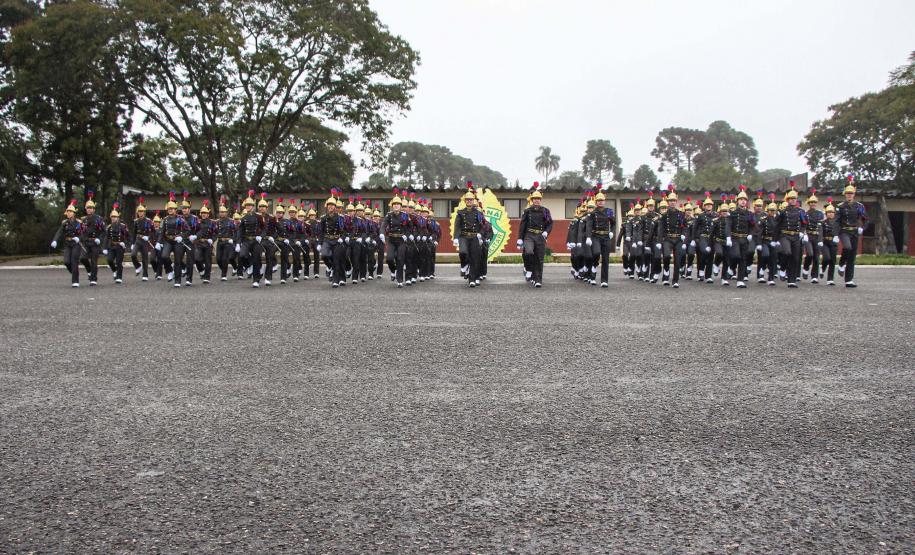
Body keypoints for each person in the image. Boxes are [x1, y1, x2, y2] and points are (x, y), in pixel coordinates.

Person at [836, 176, 867, 288]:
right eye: (847, 193)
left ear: (854, 194)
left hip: (854, 232)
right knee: (847, 247)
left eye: (851, 193)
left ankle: (848, 280)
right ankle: (841, 263)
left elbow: (865, 219)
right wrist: (835, 234)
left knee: (852, 256)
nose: (849, 195)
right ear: (845, 194)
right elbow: (836, 221)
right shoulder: (840, 206)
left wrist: (862, 228)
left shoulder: (859, 206)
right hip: (844, 231)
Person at [776, 182, 808, 288]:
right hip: (785, 235)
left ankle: (791, 280)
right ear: (787, 200)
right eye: (791, 198)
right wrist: (775, 239)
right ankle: (783, 268)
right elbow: (777, 225)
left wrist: (802, 233)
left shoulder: (801, 211)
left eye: (794, 198)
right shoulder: (783, 211)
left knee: (795, 258)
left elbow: (804, 224)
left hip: (796, 236)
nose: (793, 200)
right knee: (786, 252)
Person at [453, 183, 486, 287]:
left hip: (474, 237)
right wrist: (456, 238)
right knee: (463, 252)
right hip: (463, 236)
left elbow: (482, 226)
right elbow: (457, 226)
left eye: (471, 200)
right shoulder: (460, 212)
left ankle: (472, 279)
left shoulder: (478, 213)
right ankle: (464, 265)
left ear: (473, 201)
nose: (469, 201)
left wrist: (480, 234)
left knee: (475, 258)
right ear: (465, 201)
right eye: (467, 200)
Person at [581, 183, 613, 288]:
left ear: (604, 201)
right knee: (596, 253)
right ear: (596, 202)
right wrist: (589, 237)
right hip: (595, 236)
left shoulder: (609, 211)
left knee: (606, 259)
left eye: (602, 200)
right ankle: (594, 266)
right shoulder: (592, 213)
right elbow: (589, 225)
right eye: (598, 201)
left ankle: (604, 280)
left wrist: (611, 230)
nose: (600, 202)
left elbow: (613, 222)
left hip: (606, 237)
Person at [156, 191, 189, 288]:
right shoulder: (165, 220)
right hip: (168, 241)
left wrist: (181, 236)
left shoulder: (181, 219)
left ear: (175, 209)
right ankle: (169, 270)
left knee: (178, 261)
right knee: (164, 256)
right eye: (169, 208)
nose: (170, 210)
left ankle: (177, 280)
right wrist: (158, 242)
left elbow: (188, 230)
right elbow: (162, 232)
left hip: (177, 242)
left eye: (172, 208)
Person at [656, 187, 686, 288]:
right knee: (667, 256)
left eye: (674, 201)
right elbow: (661, 229)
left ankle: (675, 280)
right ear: (668, 202)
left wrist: (683, 235)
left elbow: (685, 226)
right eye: (670, 201)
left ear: (676, 201)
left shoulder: (681, 214)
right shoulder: (664, 215)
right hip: (668, 239)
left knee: (678, 259)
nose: (672, 202)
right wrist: (660, 241)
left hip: (678, 239)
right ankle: (666, 275)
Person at [50, 200, 84, 287]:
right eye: (68, 212)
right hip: (67, 243)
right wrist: (55, 240)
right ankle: (74, 272)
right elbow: (59, 232)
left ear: (74, 213)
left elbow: (83, 233)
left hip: (76, 244)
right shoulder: (65, 223)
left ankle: (75, 281)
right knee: (66, 262)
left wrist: (78, 238)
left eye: (70, 212)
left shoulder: (79, 223)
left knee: (74, 261)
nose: (68, 213)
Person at [235, 190, 265, 288]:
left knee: (256, 259)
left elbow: (264, 228)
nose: (247, 207)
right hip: (246, 240)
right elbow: (240, 231)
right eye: (246, 205)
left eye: (249, 205)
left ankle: (256, 280)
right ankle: (248, 265)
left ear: (253, 206)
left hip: (256, 241)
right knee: (242, 255)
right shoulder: (243, 217)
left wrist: (261, 236)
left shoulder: (258, 216)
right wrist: (238, 243)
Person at [381, 189, 410, 287]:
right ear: (392, 206)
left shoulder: (405, 216)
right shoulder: (389, 215)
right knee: (389, 259)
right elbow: (383, 225)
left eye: (398, 204)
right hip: (392, 239)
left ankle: (400, 280)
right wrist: (382, 233)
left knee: (400, 259)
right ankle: (393, 271)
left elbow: (410, 227)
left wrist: (407, 234)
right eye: (394, 204)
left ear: (401, 206)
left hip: (401, 240)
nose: (396, 205)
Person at [729, 185, 756, 288]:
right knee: (735, 256)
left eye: (745, 199)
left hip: (745, 238)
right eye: (741, 199)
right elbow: (729, 226)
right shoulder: (732, 213)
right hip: (735, 238)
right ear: (737, 201)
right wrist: (728, 237)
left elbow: (753, 226)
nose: (743, 201)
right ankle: (731, 267)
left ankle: (740, 280)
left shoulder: (749, 214)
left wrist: (750, 234)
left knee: (743, 259)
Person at [319, 191, 347, 287]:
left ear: (335, 207)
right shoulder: (323, 218)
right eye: (329, 205)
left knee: (337, 259)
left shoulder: (340, 218)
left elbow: (344, 231)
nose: (330, 207)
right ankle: (330, 266)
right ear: (327, 206)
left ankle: (336, 280)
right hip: (327, 239)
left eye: (332, 205)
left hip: (337, 240)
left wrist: (342, 238)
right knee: (324, 255)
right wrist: (320, 243)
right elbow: (321, 231)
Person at [80, 191, 105, 286]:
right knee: (82, 258)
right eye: (88, 208)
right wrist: (81, 238)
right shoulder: (83, 219)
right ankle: (89, 270)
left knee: (94, 261)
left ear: (94, 209)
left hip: (95, 242)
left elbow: (104, 231)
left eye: (91, 208)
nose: (89, 210)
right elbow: (81, 231)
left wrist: (99, 239)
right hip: (86, 242)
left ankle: (94, 278)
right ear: (86, 209)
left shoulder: (99, 219)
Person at [102, 202, 130, 284]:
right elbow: (106, 237)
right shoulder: (109, 227)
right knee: (109, 260)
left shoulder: (122, 226)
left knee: (118, 262)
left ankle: (119, 277)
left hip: (120, 246)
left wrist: (124, 243)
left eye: (115, 217)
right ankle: (114, 270)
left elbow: (128, 236)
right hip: (111, 246)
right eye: (112, 217)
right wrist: (104, 248)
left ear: (118, 217)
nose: (113, 218)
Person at [802, 189, 825, 284]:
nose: (813, 204)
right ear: (808, 203)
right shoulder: (805, 213)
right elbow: (802, 225)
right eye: (811, 202)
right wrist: (804, 234)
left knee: (816, 257)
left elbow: (821, 226)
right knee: (810, 254)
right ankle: (806, 267)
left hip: (817, 236)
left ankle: (814, 276)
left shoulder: (820, 214)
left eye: (814, 202)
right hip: (808, 235)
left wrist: (821, 238)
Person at [130, 197, 155, 282]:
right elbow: (134, 232)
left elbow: (153, 232)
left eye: (142, 211)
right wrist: (132, 243)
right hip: (138, 240)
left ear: (144, 212)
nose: (141, 213)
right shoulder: (136, 221)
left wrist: (148, 237)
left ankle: (145, 274)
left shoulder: (149, 221)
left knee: (145, 258)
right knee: (133, 255)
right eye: (139, 211)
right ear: (137, 212)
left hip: (145, 241)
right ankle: (137, 266)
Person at [758, 195, 781, 285]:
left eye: (773, 210)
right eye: (770, 210)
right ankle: (762, 268)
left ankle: (771, 278)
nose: (772, 212)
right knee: (765, 255)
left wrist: (778, 240)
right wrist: (759, 243)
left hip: (774, 241)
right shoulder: (764, 220)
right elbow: (759, 232)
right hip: (765, 241)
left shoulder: (778, 220)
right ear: (767, 211)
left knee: (773, 259)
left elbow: (779, 231)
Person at [193, 200, 217, 283]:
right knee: (197, 259)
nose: (203, 214)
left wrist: (212, 239)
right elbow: (194, 231)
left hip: (207, 243)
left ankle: (207, 277)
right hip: (199, 243)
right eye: (202, 213)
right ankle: (201, 270)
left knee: (208, 261)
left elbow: (215, 233)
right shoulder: (197, 222)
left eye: (205, 213)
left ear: (208, 214)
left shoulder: (212, 223)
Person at [695, 193, 716, 283]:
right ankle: (701, 270)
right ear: (704, 206)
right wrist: (695, 238)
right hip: (702, 237)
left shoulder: (716, 215)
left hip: (711, 238)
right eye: (707, 205)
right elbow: (695, 227)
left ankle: (708, 276)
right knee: (703, 253)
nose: (708, 206)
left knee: (711, 256)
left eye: (710, 205)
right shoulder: (700, 216)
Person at [214, 198, 237, 282]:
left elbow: (236, 232)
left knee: (225, 258)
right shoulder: (217, 222)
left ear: (226, 213)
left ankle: (224, 275)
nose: (222, 213)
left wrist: (233, 239)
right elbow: (214, 232)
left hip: (228, 242)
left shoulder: (231, 221)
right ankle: (223, 269)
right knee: (218, 259)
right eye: (220, 212)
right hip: (220, 241)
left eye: (223, 212)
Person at [820, 198, 841, 286]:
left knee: (832, 260)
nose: (831, 214)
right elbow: (820, 232)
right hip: (825, 242)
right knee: (827, 258)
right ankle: (823, 268)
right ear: (826, 213)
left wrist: (838, 237)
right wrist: (820, 240)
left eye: (832, 212)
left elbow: (840, 231)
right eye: (829, 212)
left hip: (833, 242)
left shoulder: (837, 223)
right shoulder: (822, 223)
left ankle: (830, 279)